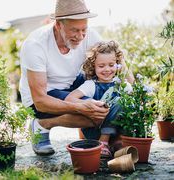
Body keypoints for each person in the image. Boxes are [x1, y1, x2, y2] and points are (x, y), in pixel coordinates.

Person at [19, 0, 110, 156]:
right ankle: (42, 124)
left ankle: (103, 138)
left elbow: (116, 57)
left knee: (108, 104)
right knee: (95, 116)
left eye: (84, 30)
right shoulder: (36, 44)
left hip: (71, 84)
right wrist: (81, 107)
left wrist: (133, 91)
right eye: (74, 30)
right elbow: (40, 101)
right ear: (58, 25)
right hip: (43, 97)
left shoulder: (89, 34)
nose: (80, 36)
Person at [65, 40, 131, 157]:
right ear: (93, 66)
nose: (107, 69)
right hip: (95, 130)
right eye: (101, 66)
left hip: (116, 131)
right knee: (118, 101)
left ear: (117, 64)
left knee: (127, 102)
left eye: (111, 65)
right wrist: (89, 103)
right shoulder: (91, 85)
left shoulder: (121, 84)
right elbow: (70, 99)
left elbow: (135, 98)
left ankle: (113, 143)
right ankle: (103, 142)